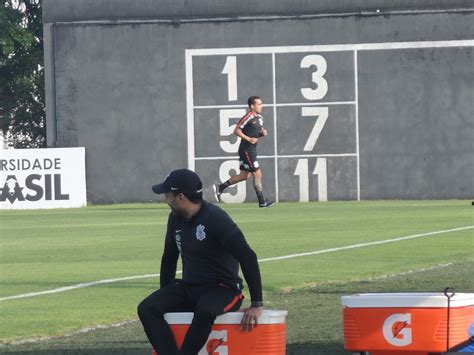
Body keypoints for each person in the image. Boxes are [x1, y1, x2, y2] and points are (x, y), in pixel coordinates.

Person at [138, 169, 264, 355]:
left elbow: (248, 256)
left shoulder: (216, 219)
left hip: (223, 289)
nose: (165, 200)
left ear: (180, 197)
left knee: (205, 310)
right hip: (190, 286)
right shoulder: (175, 219)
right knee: (147, 308)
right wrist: (165, 293)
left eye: (167, 195)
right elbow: (169, 258)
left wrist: (257, 304)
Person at [213, 96, 275, 208]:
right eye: (259, 104)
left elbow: (254, 133)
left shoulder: (260, 118)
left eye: (261, 104)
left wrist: (262, 133)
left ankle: (220, 187)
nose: (261, 106)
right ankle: (262, 201)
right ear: (252, 106)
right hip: (247, 150)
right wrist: (248, 139)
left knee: (244, 176)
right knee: (257, 174)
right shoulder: (248, 117)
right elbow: (236, 130)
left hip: (251, 149)